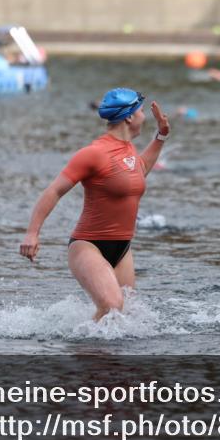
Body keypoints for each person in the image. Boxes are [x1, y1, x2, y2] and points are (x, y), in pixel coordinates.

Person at [20, 88, 170, 321]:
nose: (144, 116)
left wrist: (161, 136)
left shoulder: (128, 149)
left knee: (126, 317)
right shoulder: (94, 153)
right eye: (141, 111)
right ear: (129, 117)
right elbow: (54, 191)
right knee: (112, 307)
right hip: (89, 246)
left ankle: (106, 356)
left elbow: (137, 172)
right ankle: (84, 356)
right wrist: (32, 233)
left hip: (122, 250)